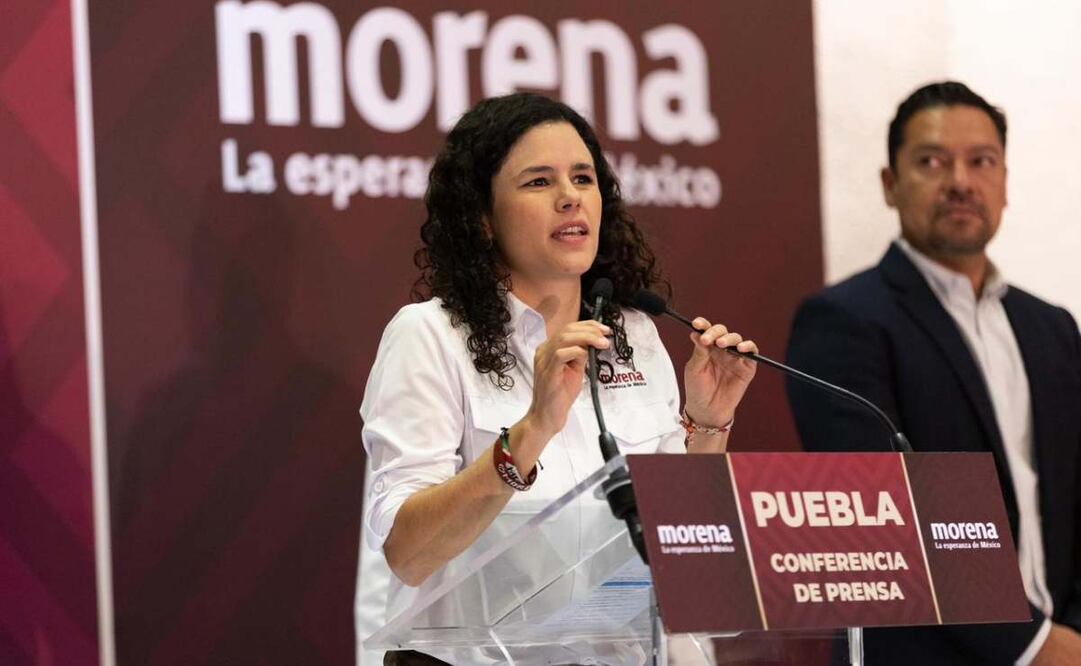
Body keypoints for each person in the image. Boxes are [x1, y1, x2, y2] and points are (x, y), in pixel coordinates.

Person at [356, 93, 759, 665]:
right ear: (482, 218)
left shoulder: (637, 335)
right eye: (539, 182)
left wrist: (709, 424)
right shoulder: (429, 337)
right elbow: (409, 552)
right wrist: (533, 429)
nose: (571, 197)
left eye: (583, 178)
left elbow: (682, 550)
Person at [786, 81, 1081, 665]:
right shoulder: (844, 322)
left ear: (1004, 181)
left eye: (982, 161)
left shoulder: (1052, 327)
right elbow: (884, 521)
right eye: (931, 162)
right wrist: (1036, 647)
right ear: (890, 185)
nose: (961, 182)